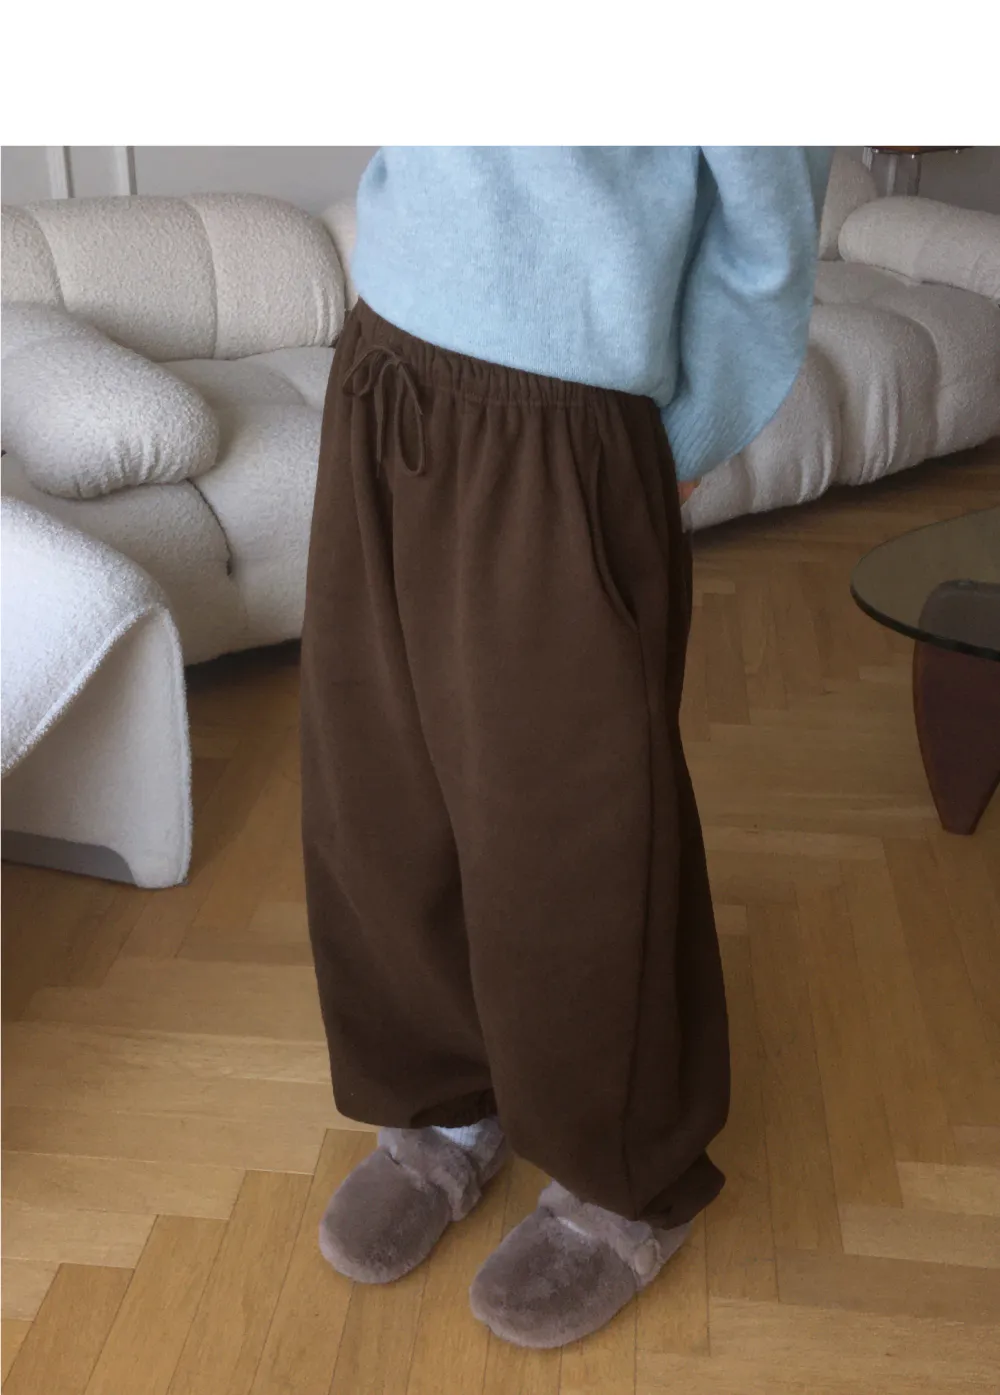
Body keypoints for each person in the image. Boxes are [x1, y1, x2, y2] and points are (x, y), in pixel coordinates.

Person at [300, 146, 831, 1349]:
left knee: (573, 832)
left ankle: (620, 1172)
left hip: (566, 421)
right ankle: (445, 1101)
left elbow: (770, 230)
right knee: (381, 793)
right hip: (384, 364)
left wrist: (663, 448)